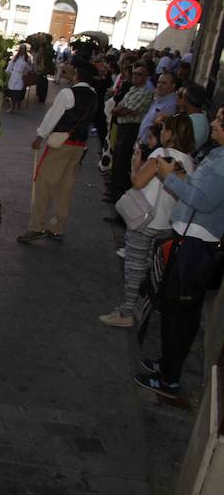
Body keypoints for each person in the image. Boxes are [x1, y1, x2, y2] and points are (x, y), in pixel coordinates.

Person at [135, 107, 224, 399]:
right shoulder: (217, 155)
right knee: (174, 307)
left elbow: (203, 201)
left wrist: (168, 177)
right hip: (189, 239)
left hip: (197, 246)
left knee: (179, 312)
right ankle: (166, 366)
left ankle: (169, 379)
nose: (213, 122)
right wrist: (182, 176)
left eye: (220, 120)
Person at [99, 114, 196, 328]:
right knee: (150, 270)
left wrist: (135, 165)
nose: (161, 133)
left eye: (164, 129)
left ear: (170, 133)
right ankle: (138, 309)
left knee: (134, 267)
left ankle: (125, 313)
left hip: (145, 221)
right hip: (167, 224)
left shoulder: (161, 154)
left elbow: (138, 182)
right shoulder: (189, 161)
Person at [17, 59, 98, 243]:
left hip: (62, 144)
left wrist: (39, 136)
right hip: (79, 146)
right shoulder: (93, 95)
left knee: (44, 183)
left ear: (77, 73)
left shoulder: (68, 93)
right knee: (65, 187)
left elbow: (52, 116)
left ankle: (37, 226)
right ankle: (58, 226)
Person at [107, 61, 154, 204]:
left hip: (130, 128)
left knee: (122, 161)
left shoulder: (145, 92)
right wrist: (118, 110)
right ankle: (113, 191)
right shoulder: (133, 89)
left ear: (146, 77)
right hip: (123, 127)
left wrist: (117, 110)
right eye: (134, 73)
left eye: (139, 74)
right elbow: (120, 106)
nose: (135, 76)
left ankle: (119, 197)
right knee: (117, 158)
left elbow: (127, 110)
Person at [137, 72, 177, 143]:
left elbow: (158, 128)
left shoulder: (172, 104)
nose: (159, 85)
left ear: (172, 86)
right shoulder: (159, 98)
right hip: (141, 141)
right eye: (158, 82)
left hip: (150, 145)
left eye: (164, 83)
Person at [176, 82, 210, 150]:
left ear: (187, 101)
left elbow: (179, 145)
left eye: (181, 96)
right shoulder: (196, 118)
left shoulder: (195, 123)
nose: (178, 98)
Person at [5, 44, 32, 113]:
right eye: (21, 49)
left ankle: (16, 106)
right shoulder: (15, 57)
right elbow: (10, 65)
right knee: (11, 92)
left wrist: (27, 69)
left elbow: (30, 68)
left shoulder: (27, 58)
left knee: (18, 92)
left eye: (23, 49)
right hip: (13, 75)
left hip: (20, 76)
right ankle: (11, 107)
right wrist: (7, 73)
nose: (22, 50)